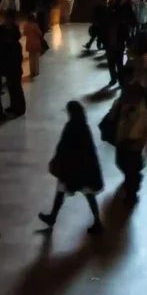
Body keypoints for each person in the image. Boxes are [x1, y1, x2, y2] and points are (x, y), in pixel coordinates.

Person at [41, 99, 105, 233]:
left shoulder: (71, 126)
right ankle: (97, 221)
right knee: (88, 194)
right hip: (85, 169)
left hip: (72, 168)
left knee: (61, 191)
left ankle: (53, 217)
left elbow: (64, 147)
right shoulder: (84, 126)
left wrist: (57, 161)